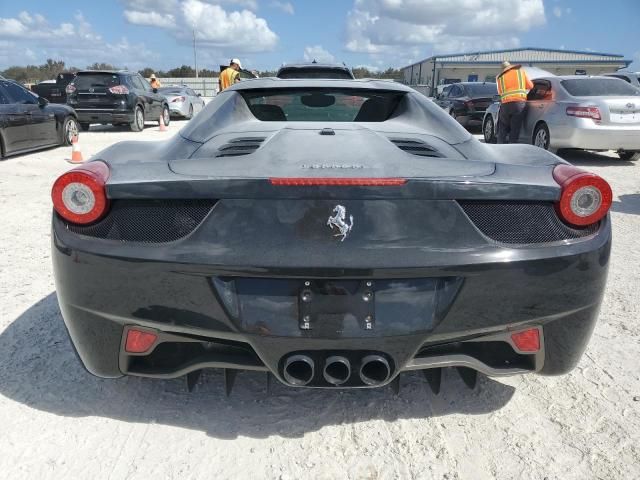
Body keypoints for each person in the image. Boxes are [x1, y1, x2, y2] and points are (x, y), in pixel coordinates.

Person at [496, 60, 533, 144]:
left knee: (503, 128)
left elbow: (500, 92)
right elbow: (531, 86)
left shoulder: (500, 78)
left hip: (505, 105)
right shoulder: (520, 73)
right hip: (518, 104)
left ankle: (499, 145)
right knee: (515, 129)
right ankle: (511, 147)